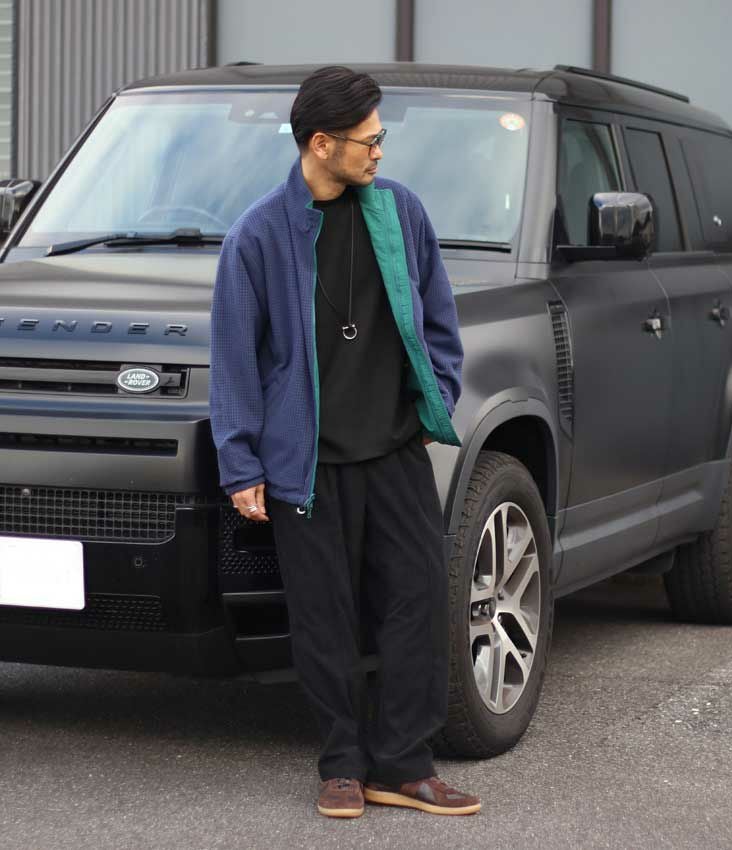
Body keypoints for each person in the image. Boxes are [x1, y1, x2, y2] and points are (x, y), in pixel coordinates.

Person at [209, 66, 480, 819]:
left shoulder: (400, 212)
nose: (380, 151)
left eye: (380, 136)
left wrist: (436, 397)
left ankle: (405, 765)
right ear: (321, 144)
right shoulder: (258, 236)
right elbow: (234, 360)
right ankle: (341, 765)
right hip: (308, 466)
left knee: (418, 604)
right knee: (323, 619)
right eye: (368, 140)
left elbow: (438, 319)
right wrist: (240, 463)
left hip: (395, 451)